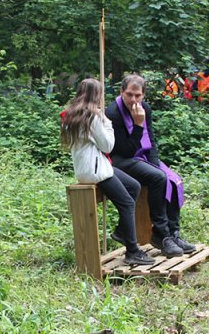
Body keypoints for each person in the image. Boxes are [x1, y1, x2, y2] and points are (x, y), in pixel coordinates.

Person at [61, 78, 155, 267]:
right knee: (127, 202)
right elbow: (108, 145)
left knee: (133, 186)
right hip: (96, 170)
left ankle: (122, 231)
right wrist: (106, 122)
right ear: (97, 95)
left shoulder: (72, 114)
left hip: (92, 166)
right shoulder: (92, 117)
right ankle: (132, 251)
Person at [106, 74, 198, 258]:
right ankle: (161, 235)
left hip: (141, 156)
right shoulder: (113, 112)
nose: (133, 99)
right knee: (158, 177)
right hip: (119, 160)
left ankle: (174, 233)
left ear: (143, 95)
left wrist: (155, 164)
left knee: (173, 179)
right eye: (129, 94)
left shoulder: (144, 108)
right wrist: (138, 125)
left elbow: (152, 142)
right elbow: (123, 150)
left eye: (137, 95)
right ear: (122, 92)